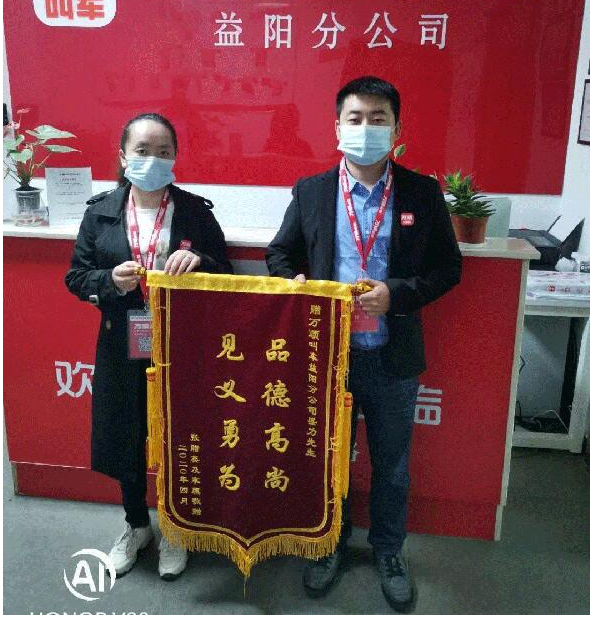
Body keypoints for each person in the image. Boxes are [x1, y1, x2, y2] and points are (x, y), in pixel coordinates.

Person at [266, 76, 462, 611]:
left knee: (392, 463)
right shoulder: (312, 191)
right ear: (337, 128)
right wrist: (295, 286)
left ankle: (389, 551)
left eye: (379, 119)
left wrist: (396, 294)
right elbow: (279, 253)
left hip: (392, 356)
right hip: (327, 358)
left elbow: (448, 269)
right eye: (355, 118)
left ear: (397, 130)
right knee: (330, 459)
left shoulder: (421, 193)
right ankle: (330, 543)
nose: (366, 128)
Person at [65, 113, 232, 580]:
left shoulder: (195, 212)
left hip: (183, 346)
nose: (153, 160)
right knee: (127, 435)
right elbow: (76, 277)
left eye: (163, 152)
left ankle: (175, 529)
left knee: (178, 437)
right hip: (123, 342)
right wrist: (109, 280)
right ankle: (136, 526)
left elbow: (224, 271)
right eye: (142, 151)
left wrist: (198, 261)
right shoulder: (100, 212)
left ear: (175, 158)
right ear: (123, 157)